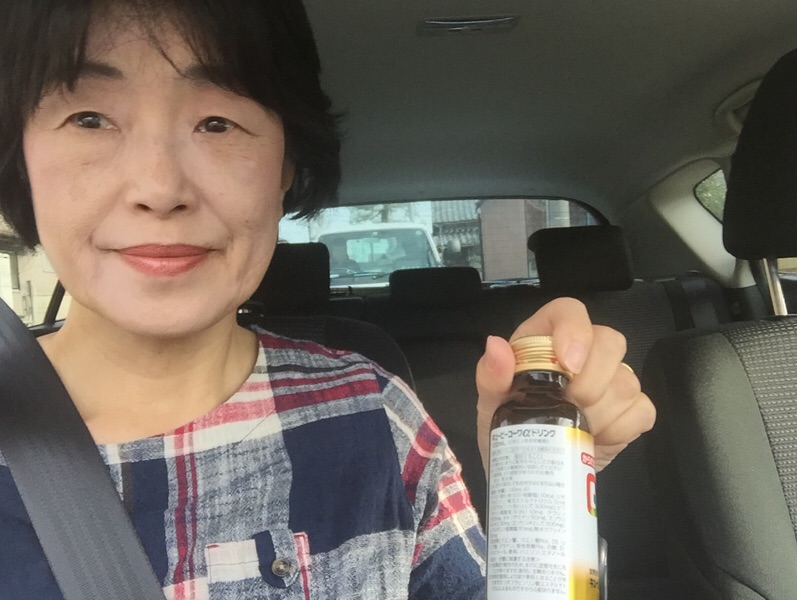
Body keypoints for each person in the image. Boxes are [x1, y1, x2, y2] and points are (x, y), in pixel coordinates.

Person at [0, 2, 655, 598]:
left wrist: (539, 486)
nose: (158, 187)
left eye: (217, 122)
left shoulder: (375, 415)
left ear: (285, 166)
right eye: (89, 119)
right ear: (20, 155)